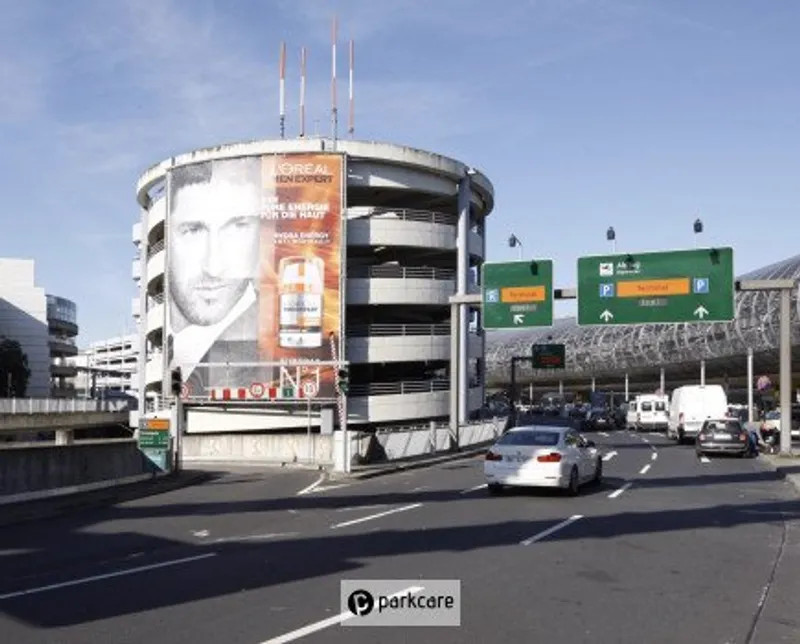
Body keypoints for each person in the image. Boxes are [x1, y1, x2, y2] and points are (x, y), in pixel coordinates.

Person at [166, 156, 275, 395]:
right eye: (193, 230)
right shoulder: (170, 343)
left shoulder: (271, 337)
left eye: (237, 228)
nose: (214, 267)